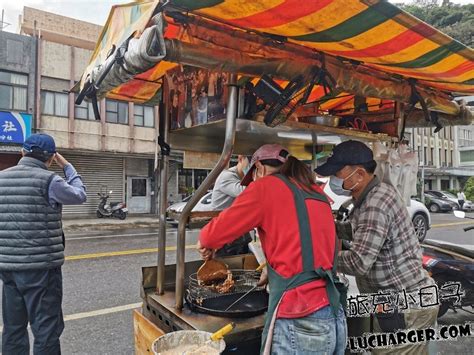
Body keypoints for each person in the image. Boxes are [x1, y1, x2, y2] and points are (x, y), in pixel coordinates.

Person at [198, 144, 347, 355]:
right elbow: (307, 244)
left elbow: (210, 235)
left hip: (301, 318)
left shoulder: (266, 186)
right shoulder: (315, 192)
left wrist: (206, 244)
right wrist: (274, 268)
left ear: (258, 166)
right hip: (333, 313)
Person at [315, 140, 438, 355]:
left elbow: (358, 262)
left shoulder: (376, 203)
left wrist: (315, 257)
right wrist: (327, 227)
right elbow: (359, 230)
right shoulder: (369, 198)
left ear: (360, 174)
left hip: (407, 306)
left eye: (337, 173)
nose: (332, 180)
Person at [0, 133, 87, 355]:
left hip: (8, 269)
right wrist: (68, 167)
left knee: (13, 328)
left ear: (22, 153)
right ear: (50, 158)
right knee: (46, 330)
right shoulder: (50, 181)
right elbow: (79, 195)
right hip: (42, 271)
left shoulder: (2, 179)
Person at [210, 155, 252, 256]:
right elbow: (246, 193)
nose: (254, 166)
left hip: (240, 233)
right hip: (225, 233)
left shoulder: (246, 179)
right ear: (240, 158)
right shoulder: (227, 176)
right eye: (251, 161)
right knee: (226, 268)